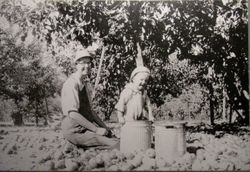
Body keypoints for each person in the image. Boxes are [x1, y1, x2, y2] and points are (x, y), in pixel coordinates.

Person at [61, 49, 118, 148]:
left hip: (84, 128)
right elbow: (73, 114)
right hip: (74, 130)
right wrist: (96, 130)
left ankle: (75, 145)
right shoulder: (71, 84)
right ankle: (73, 142)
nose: (87, 66)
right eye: (83, 63)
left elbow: (91, 112)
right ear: (76, 65)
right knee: (111, 143)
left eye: (88, 63)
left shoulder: (85, 84)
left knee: (111, 138)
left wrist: (105, 128)